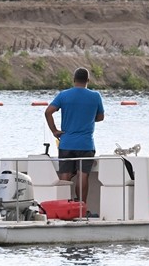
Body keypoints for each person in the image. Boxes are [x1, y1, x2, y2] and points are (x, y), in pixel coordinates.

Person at [44, 67, 105, 204]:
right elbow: (100, 117)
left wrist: (54, 131)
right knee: (82, 175)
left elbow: (48, 112)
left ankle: (64, 207)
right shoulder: (95, 96)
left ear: (74, 80)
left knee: (64, 175)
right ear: (88, 80)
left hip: (66, 143)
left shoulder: (63, 95)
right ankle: (81, 207)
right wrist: (87, 118)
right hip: (85, 144)